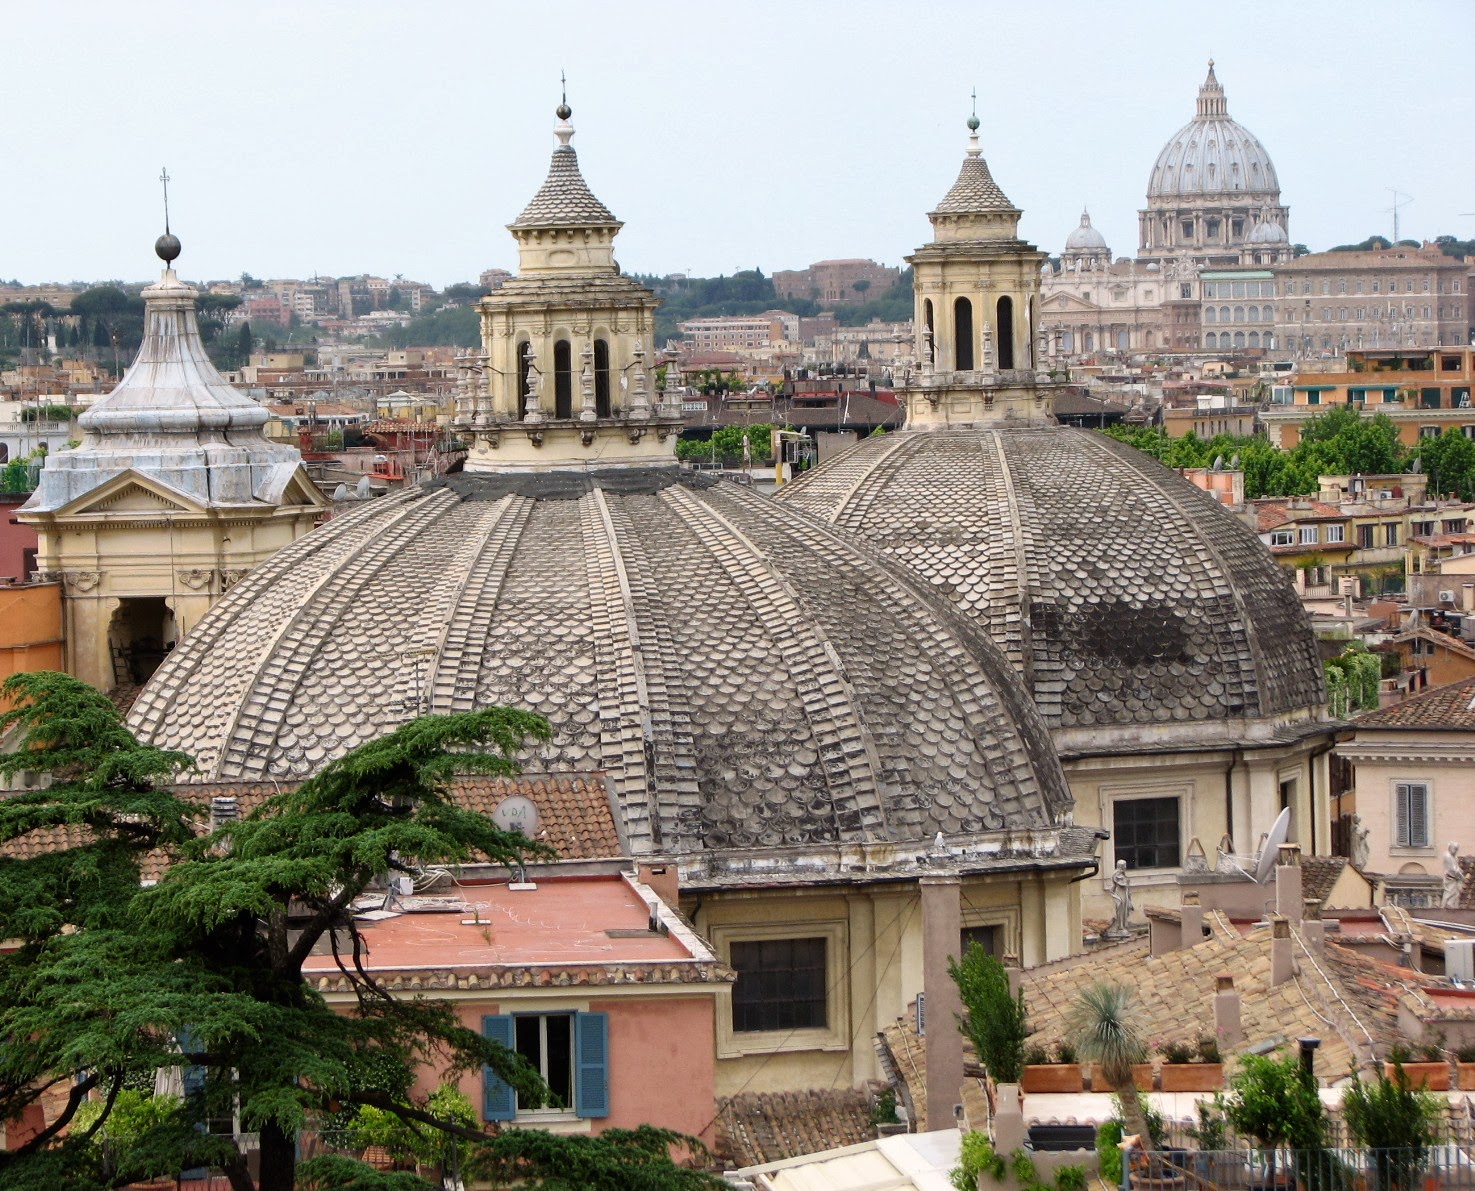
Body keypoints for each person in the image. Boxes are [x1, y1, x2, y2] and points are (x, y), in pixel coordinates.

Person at [1109, 859, 1133, 935]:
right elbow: (1122, 883)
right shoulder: (1116, 874)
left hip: (1124, 892)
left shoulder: (1122, 873)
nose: (1125, 867)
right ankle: (1120, 926)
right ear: (1121, 866)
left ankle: (1123, 925)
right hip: (1120, 892)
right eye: (1124, 865)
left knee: (1125, 909)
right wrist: (1127, 881)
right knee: (1120, 908)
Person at [1443, 841, 1463, 908]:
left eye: (1457, 849)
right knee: (1450, 892)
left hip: (1455, 877)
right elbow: (1452, 869)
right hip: (1450, 877)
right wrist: (1461, 876)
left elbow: (1456, 867)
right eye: (1455, 849)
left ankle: (1450, 904)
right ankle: (1447, 904)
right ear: (1450, 848)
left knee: (1456, 892)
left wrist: (1460, 871)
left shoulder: (1454, 857)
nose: (1455, 851)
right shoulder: (1447, 856)